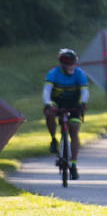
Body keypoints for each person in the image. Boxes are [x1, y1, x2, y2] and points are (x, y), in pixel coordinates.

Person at [42, 48, 88, 177]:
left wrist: (83, 103)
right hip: (57, 101)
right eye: (68, 64)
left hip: (73, 103)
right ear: (62, 64)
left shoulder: (79, 73)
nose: (71, 66)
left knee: (74, 130)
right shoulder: (53, 73)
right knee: (50, 113)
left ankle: (73, 164)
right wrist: (48, 103)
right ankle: (53, 139)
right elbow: (46, 91)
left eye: (73, 63)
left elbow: (85, 91)